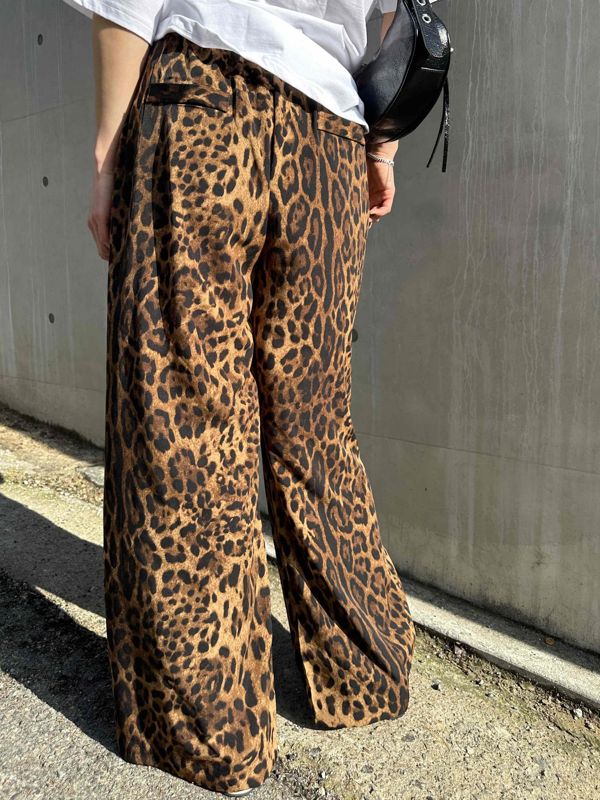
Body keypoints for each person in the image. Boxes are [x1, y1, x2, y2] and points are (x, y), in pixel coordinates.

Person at [62, 1, 415, 796]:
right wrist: (381, 147)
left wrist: (108, 156)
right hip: (331, 138)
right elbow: (407, 22)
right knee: (314, 425)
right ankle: (365, 671)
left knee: (185, 425)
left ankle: (211, 730)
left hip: (202, 110)